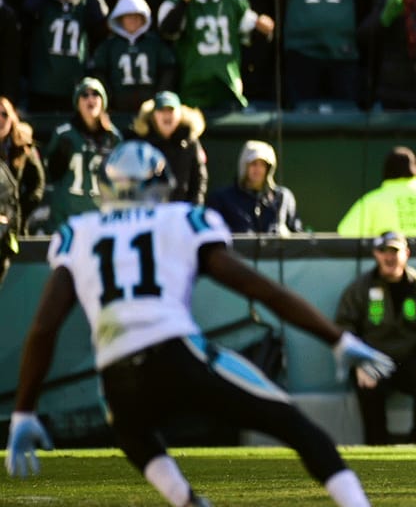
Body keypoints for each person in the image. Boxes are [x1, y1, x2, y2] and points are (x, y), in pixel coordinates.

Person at [4, 141, 395, 506]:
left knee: (132, 432)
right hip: (178, 355)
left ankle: (185, 500)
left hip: (116, 371)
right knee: (296, 427)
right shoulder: (182, 220)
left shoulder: (79, 232)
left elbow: (43, 328)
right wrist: (337, 339)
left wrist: (24, 410)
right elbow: (262, 290)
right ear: (163, 183)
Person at [335, 231, 416, 445]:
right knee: (368, 389)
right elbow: (345, 327)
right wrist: (358, 362)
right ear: (375, 254)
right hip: (373, 359)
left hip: (411, 359)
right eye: (382, 251)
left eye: (394, 251)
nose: (389, 257)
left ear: (406, 253)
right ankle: (377, 448)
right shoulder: (360, 289)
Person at [35, 78, 121, 232]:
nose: (90, 99)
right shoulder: (64, 135)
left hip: (101, 219)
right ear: (77, 103)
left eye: (95, 94)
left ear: (103, 101)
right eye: (84, 95)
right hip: (69, 217)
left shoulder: (113, 138)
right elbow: (51, 176)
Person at [206, 140, 302, 234]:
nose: (258, 170)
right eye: (253, 164)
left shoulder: (282, 198)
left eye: (262, 165)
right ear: (244, 166)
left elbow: (297, 235)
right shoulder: (222, 199)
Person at [131, 92, 207, 205]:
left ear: (180, 114)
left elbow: (199, 179)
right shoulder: (142, 144)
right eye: (161, 110)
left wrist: (194, 207)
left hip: (182, 211)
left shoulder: (191, 142)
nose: (167, 115)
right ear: (153, 115)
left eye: (171, 110)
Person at [0, 97, 44, 280]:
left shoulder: (24, 148)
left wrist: (16, 214)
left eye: (4, 114)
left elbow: (37, 186)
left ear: (12, 117)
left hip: (14, 230)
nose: (0, 119)